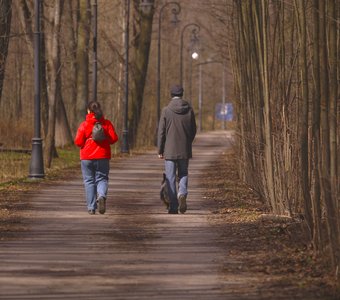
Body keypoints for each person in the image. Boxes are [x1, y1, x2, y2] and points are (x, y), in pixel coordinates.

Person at [157, 85, 197, 214]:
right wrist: (187, 142)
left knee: (170, 177)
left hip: (169, 150)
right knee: (183, 173)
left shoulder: (166, 110)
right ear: (182, 94)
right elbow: (193, 130)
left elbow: (161, 132)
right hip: (184, 149)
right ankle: (182, 193)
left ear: (171, 94)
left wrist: (160, 149)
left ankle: (173, 206)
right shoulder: (189, 110)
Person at [74, 101, 118, 215]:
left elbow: (78, 142)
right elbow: (114, 139)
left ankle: (91, 207)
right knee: (102, 179)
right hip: (103, 156)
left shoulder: (84, 125)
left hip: (87, 157)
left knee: (89, 181)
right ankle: (102, 196)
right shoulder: (106, 123)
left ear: (89, 111)